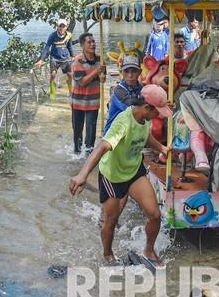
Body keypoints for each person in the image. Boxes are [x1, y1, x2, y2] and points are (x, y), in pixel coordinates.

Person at [70, 84, 173, 266]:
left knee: (154, 214)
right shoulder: (123, 122)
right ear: (147, 107)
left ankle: (148, 250)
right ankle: (108, 254)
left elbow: (146, 136)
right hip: (112, 176)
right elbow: (102, 146)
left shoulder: (145, 119)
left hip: (134, 171)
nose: (160, 116)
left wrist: (162, 148)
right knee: (111, 220)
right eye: (158, 111)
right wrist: (82, 175)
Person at [70, 33, 106, 155]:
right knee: (77, 130)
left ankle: (89, 155)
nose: (93, 44)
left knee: (91, 131)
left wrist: (102, 76)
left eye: (93, 41)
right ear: (82, 45)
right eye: (89, 42)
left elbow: (102, 78)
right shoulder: (77, 61)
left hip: (93, 101)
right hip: (78, 102)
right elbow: (82, 82)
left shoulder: (100, 60)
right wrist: (97, 72)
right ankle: (76, 153)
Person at [103, 54, 144, 135]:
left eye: (134, 71)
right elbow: (132, 109)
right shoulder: (118, 91)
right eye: (126, 71)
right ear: (121, 72)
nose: (130, 75)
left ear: (140, 72)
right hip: (113, 136)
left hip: (130, 133)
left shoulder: (142, 88)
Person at [35, 19, 74, 93]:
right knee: (53, 75)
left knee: (70, 75)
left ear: (66, 27)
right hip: (54, 58)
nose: (62, 28)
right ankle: (52, 93)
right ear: (57, 27)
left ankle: (71, 93)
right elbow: (47, 47)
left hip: (65, 58)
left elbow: (69, 46)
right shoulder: (52, 36)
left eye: (63, 26)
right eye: (60, 26)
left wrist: (73, 56)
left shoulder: (69, 35)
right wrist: (41, 60)